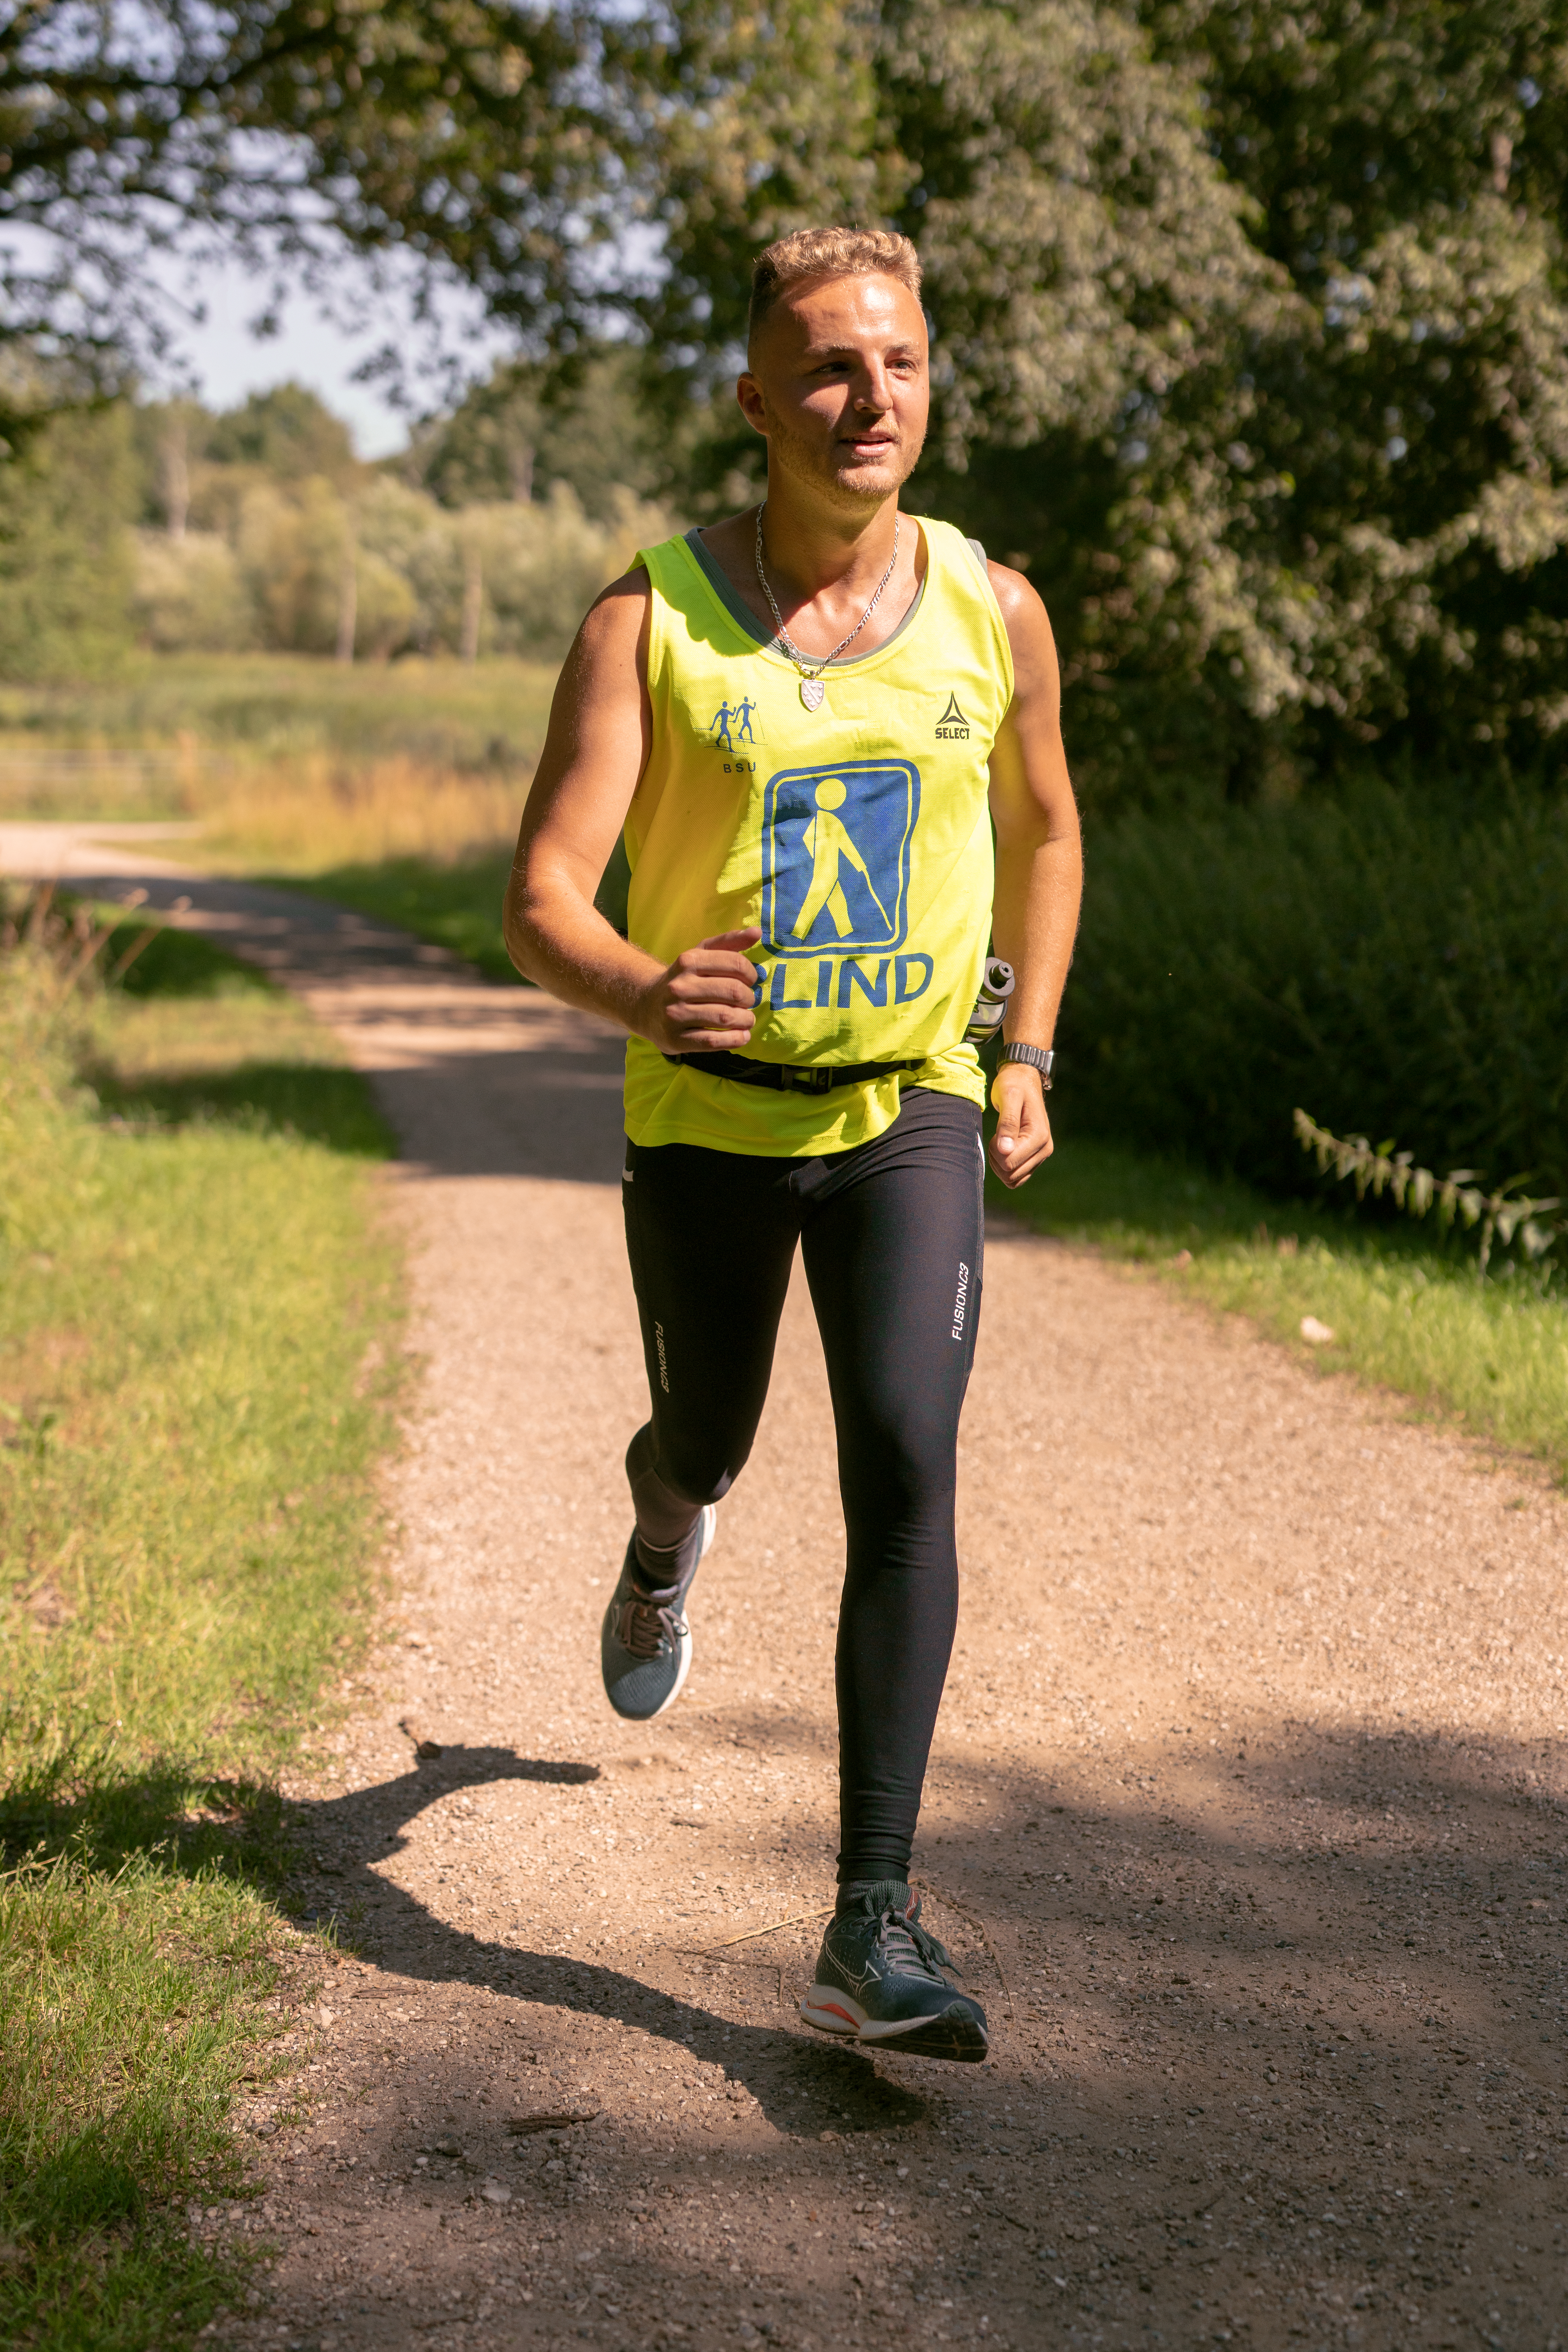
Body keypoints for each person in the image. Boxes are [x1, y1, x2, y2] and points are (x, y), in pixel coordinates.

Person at [504, 225, 1082, 2063]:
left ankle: (871, 1923)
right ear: (758, 398)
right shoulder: (652, 615)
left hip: (906, 1102)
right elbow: (537, 900)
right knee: (718, 1434)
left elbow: (1052, 834)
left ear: (934, 381)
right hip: (707, 1127)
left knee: (908, 1464)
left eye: (899, 361)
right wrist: (635, 989)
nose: (870, 396)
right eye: (828, 366)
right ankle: (664, 1516)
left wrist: (1025, 1050)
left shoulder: (994, 608)